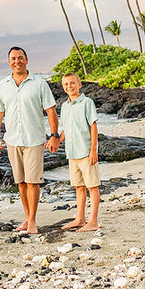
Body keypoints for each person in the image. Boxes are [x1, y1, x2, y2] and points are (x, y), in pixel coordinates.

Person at [0, 46, 59, 234]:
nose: (17, 61)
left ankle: (33, 221)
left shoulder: (39, 83)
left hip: (34, 139)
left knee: (33, 182)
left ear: (26, 60)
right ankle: (27, 219)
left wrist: (54, 136)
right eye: (13, 58)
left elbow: (51, 110)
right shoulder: (3, 85)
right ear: (9, 62)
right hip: (12, 140)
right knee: (20, 182)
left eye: (20, 58)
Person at [58, 73, 101, 231]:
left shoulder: (87, 103)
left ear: (79, 84)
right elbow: (66, 129)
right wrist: (56, 141)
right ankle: (80, 218)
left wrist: (93, 150)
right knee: (79, 187)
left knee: (92, 186)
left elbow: (93, 126)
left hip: (85, 152)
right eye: (66, 85)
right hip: (72, 153)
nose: (69, 86)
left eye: (72, 83)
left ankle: (93, 222)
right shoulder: (65, 106)